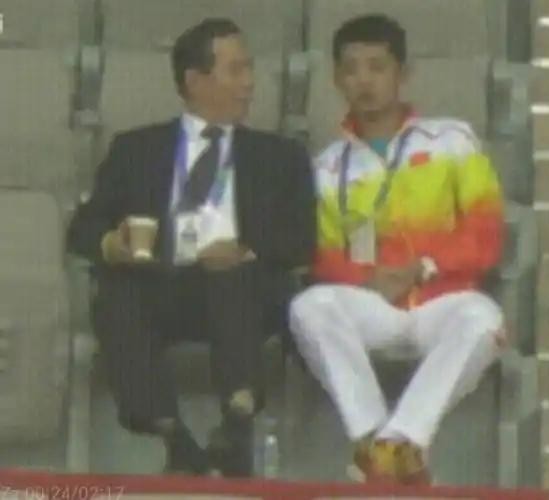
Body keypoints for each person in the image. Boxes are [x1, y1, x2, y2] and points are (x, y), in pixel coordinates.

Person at [67, 18, 316, 476]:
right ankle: (172, 435)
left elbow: (302, 236)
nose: (250, 82)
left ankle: (237, 420)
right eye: (236, 70)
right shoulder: (136, 149)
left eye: (249, 69)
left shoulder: (280, 156)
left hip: (243, 289)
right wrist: (111, 244)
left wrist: (246, 250)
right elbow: (83, 227)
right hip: (160, 283)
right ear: (195, 80)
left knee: (233, 278)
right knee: (116, 295)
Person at [289, 14, 506, 485]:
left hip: (440, 299)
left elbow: (485, 233)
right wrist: (367, 279)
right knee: (309, 307)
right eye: (351, 69)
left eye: (377, 67)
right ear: (336, 79)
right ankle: (374, 437)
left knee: (484, 318)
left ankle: (400, 442)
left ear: (403, 74)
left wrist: (421, 267)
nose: (364, 81)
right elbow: (323, 257)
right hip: (373, 305)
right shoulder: (327, 167)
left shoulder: (452, 141)